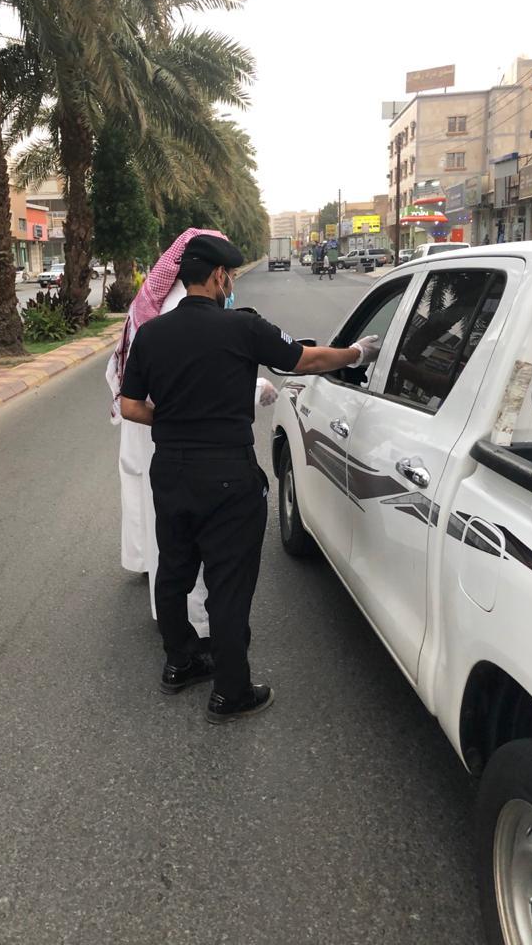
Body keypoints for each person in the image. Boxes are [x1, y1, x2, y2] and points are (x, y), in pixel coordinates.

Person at [120, 234, 379, 723]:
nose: (231, 285)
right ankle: (231, 691)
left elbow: (131, 406)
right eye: (230, 277)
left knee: (173, 572)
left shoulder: (151, 334)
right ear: (219, 277)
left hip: (170, 471)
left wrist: (174, 422)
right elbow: (305, 359)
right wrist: (356, 354)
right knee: (229, 584)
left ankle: (180, 663)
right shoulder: (243, 327)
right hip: (226, 476)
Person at [106, 229, 277, 643]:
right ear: (216, 274)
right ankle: (201, 630)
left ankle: (175, 642)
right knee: (204, 552)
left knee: (167, 544)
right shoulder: (176, 308)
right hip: (179, 439)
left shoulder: (151, 304)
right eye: (227, 273)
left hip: (151, 432)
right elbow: (200, 378)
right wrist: (255, 388)